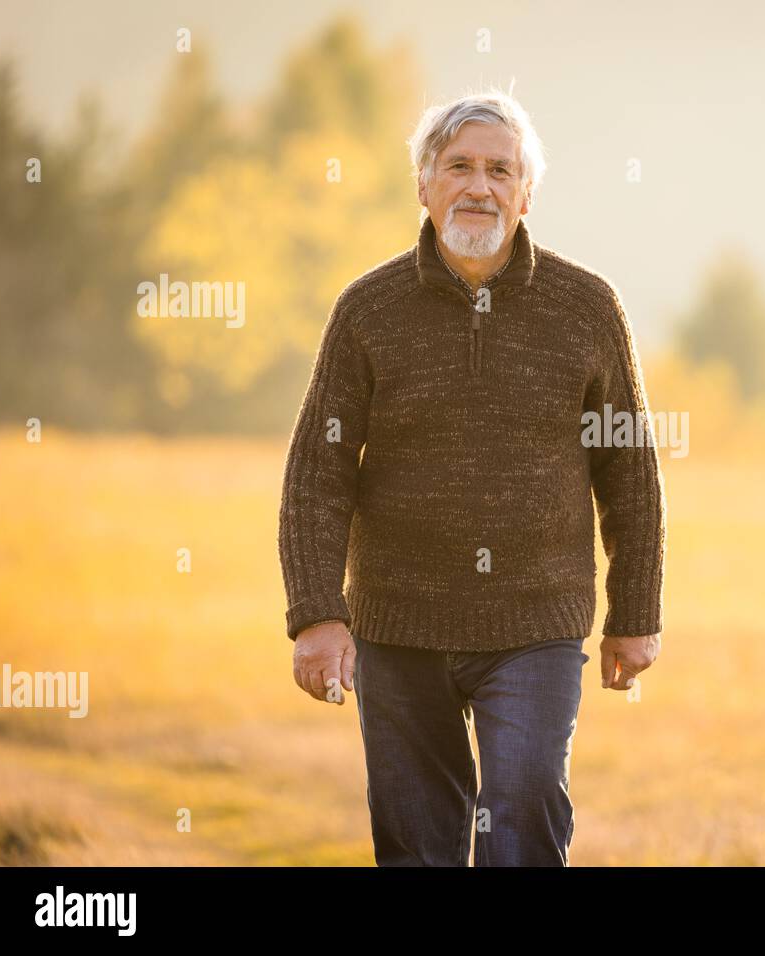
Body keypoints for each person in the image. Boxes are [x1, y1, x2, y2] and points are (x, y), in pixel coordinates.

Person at [277, 89, 666, 866]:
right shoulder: (367, 310)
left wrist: (635, 610)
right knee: (415, 839)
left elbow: (629, 469)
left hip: (535, 626)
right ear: (423, 184)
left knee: (523, 805)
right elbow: (318, 473)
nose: (479, 186)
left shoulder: (587, 308)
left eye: (500, 169)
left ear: (528, 194)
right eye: (458, 166)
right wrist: (317, 613)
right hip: (395, 624)